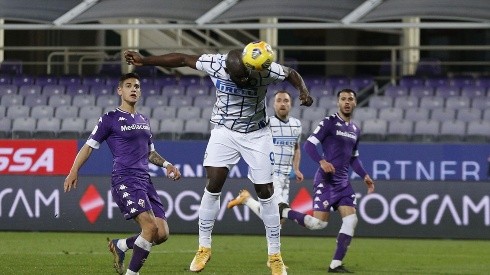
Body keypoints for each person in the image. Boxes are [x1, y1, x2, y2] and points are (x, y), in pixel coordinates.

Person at [124, 41, 313, 275]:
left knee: (266, 191)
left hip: (257, 134)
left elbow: (292, 73)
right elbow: (182, 58)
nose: (242, 81)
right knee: (213, 184)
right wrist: (145, 60)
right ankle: (204, 247)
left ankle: (275, 256)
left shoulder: (266, 69)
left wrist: (303, 90)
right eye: (238, 77)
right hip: (224, 131)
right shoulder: (215, 63)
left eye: (245, 77)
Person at [63, 72, 182, 275]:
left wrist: (167, 165)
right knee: (150, 228)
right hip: (125, 179)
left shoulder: (144, 120)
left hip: (145, 180)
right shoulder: (110, 119)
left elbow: (150, 152)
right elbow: (89, 146)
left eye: (136, 86)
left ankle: (121, 245)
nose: (133, 89)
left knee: (161, 233)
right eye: (128, 86)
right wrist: (74, 170)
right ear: (120, 90)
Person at [279, 89, 374, 273]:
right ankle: (285, 211)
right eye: (343, 99)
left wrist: (365, 176)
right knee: (318, 224)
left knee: (351, 220)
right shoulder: (329, 123)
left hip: (343, 184)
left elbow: (353, 158)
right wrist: (322, 162)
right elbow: (309, 144)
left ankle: (335, 264)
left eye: (350, 99)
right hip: (326, 181)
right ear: (338, 103)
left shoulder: (355, 129)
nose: (347, 102)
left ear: (354, 103)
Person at [227, 90, 304, 218]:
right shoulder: (266, 124)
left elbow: (296, 148)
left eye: (286, 101)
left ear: (290, 104)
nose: (282, 104)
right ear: (273, 104)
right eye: (278, 101)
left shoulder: (296, 124)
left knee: (279, 217)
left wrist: (296, 169)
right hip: (271, 174)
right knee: (280, 210)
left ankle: (246, 200)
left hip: (285, 175)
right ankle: (246, 200)